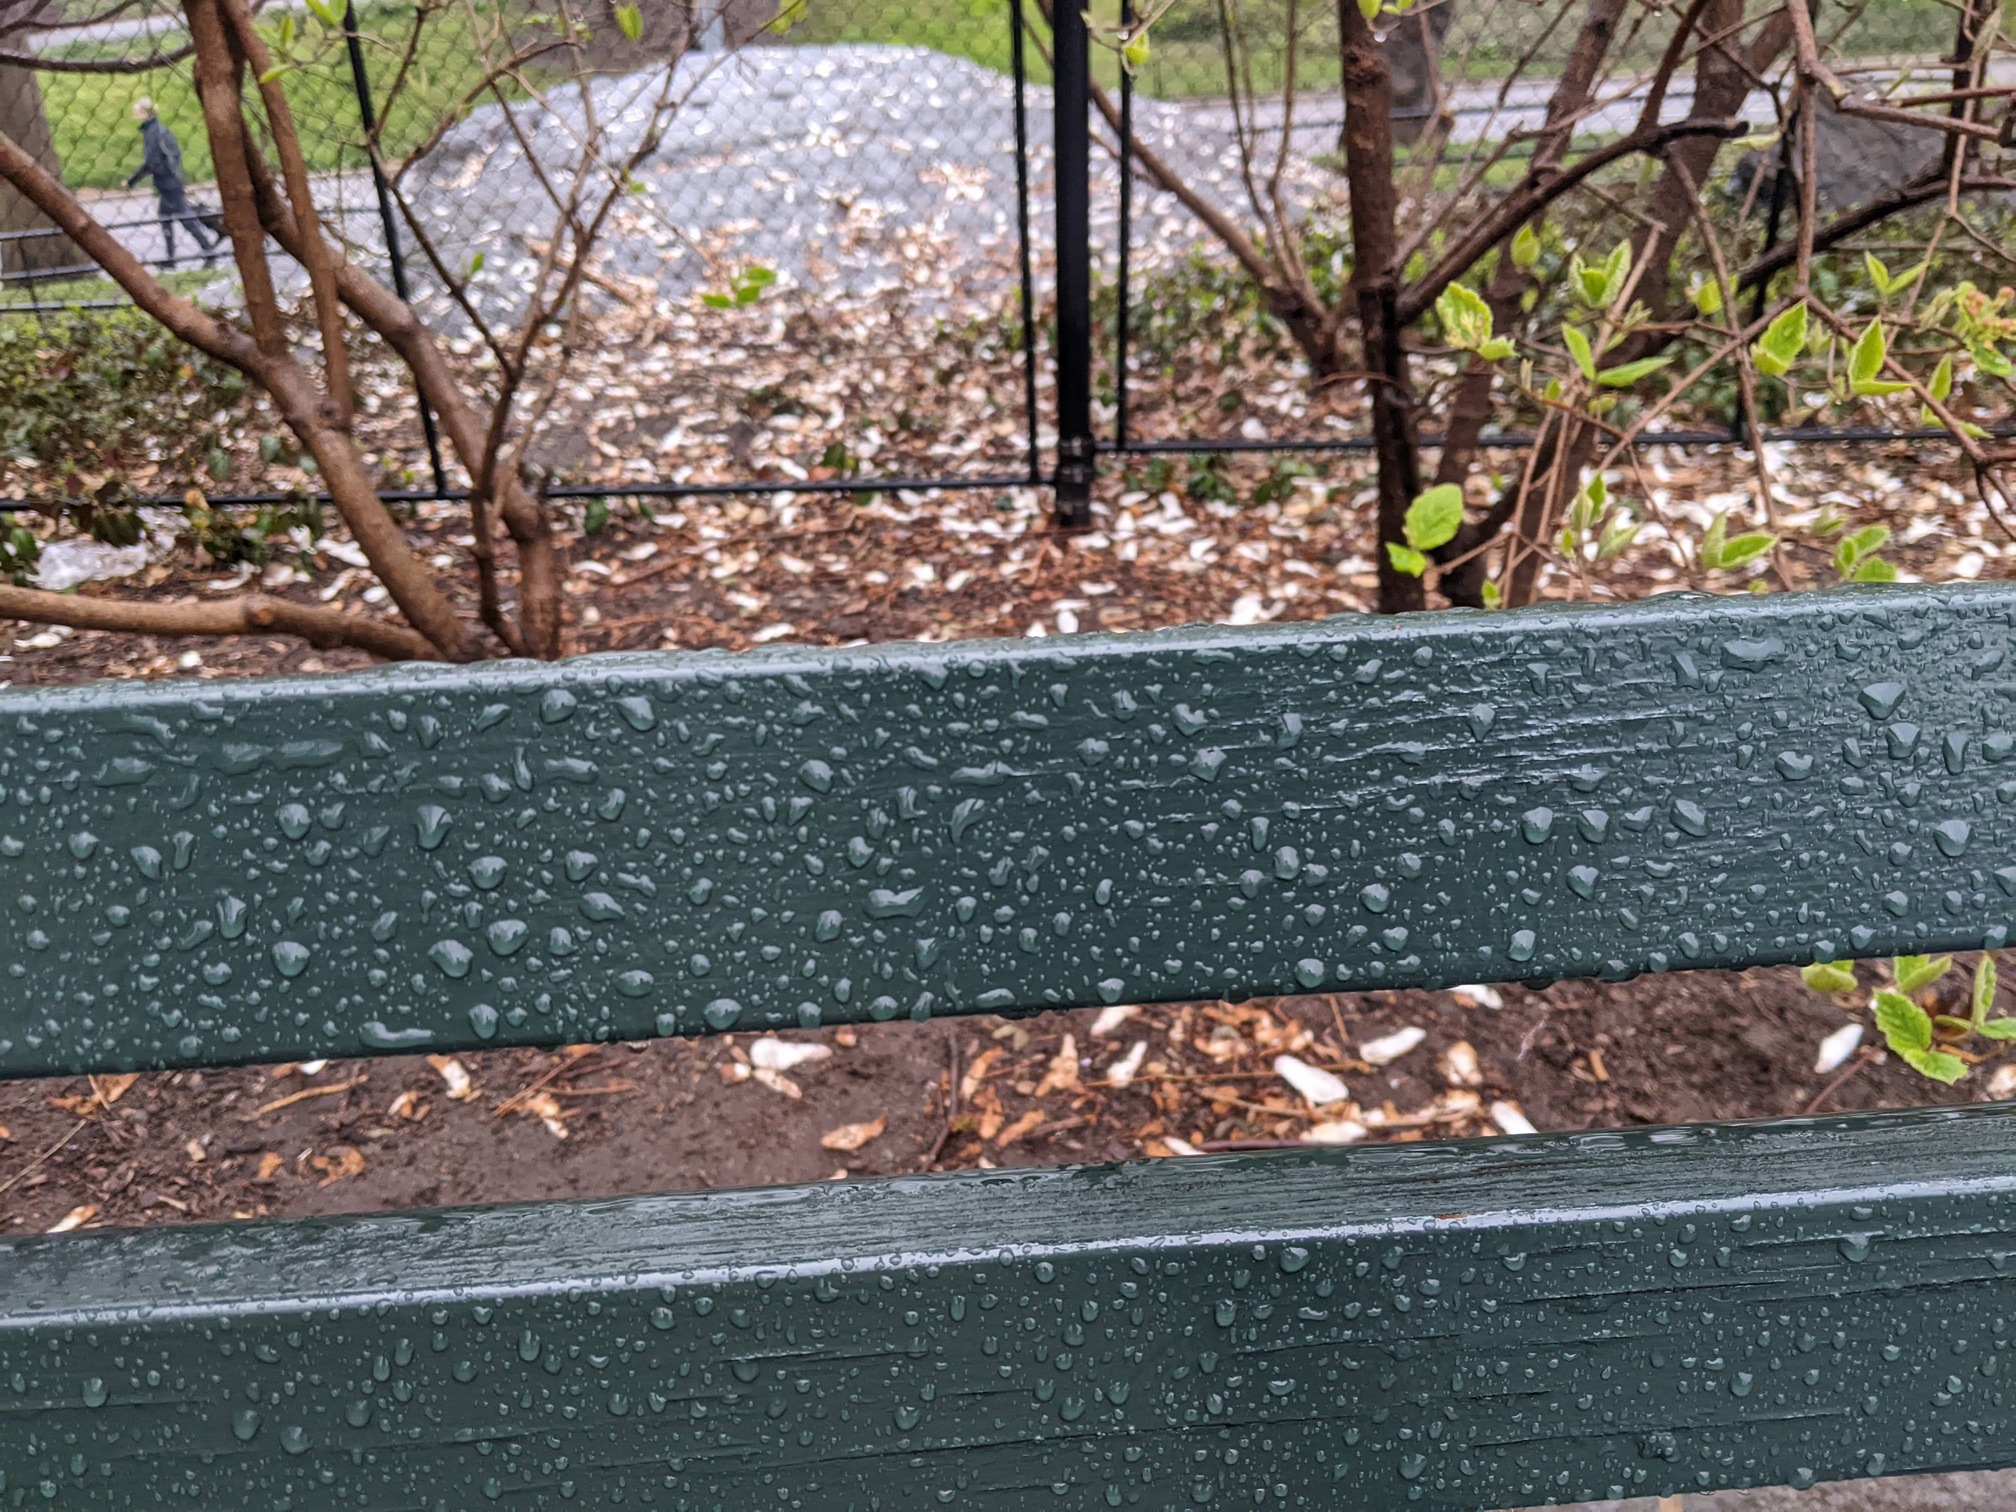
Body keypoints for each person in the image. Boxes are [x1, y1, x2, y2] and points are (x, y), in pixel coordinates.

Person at [126, 98, 219, 270]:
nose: (134, 115)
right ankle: (172, 259)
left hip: (168, 182)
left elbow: (151, 162)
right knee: (166, 218)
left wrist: (132, 181)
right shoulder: (156, 130)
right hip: (169, 181)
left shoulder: (153, 132)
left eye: (137, 111)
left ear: (146, 113)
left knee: (185, 219)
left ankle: (208, 252)